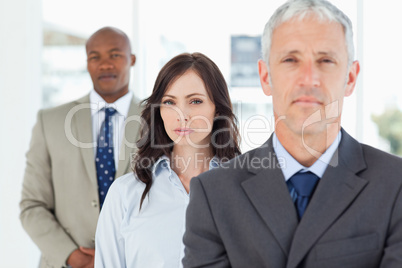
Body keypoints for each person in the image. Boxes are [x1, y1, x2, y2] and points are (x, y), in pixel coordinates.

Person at [182, 1, 402, 267]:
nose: (308, 78)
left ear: (351, 78)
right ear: (265, 77)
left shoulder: (395, 185)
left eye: (326, 60)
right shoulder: (213, 194)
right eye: (290, 60)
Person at [94, 52, 241, 267]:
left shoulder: (245, 189)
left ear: (216, 108)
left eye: (196, 101)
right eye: (170, 102)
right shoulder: (125, 194)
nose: (182, 114)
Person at [19, 27, 142, 268]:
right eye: (95, 57)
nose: (105, 65)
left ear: (132, 59)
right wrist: (73, 257)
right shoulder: (50, 122)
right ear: (86, 63)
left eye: (115, 55)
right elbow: (32, 205)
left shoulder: (160, 121)